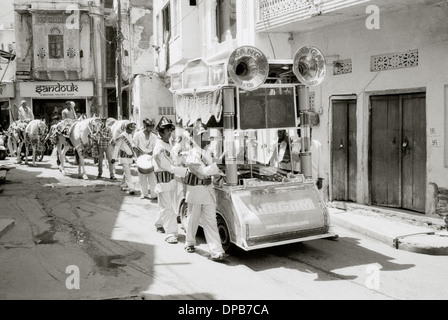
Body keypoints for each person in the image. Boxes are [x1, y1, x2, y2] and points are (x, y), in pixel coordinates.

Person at [183, 128, 229, 261]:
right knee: (193, 219)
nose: (207, 139)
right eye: (203, 136)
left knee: (211, 221)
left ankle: (217, 251)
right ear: (196, 138)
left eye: (207, 137)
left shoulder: (207, 152)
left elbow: (213, 170)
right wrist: (215, 167)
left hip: (208, 189)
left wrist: (219, 164)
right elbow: (202, 171)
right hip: (196, 190)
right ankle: (189, 242)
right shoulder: (192, 154)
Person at [152, 116, 187, 244]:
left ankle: (159, 223)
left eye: (170, 131)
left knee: (165, 205)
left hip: (170, 181)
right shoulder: (159, 148)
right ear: (160, 132)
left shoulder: (166, 143)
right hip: (163, 182)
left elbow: (172, 155)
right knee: (168, 208)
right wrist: (185, 172)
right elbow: (169, 166)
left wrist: (178, 144)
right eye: (167, 131)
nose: (169, 133)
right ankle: (171, 233)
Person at [133, 118, 157, 200]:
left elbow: (155, 148)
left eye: (151, 127)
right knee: (142, 177)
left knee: (152, 177)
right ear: (145, 126)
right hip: (141, 157)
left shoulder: (154, 136)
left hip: (150, 157)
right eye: (148, 126)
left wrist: (153, 157)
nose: (150, 128)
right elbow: (134, 147)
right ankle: (144, 193)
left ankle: (154, 194)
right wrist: (136, 158)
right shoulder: (137, 135)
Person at [112, 121, 137, 195]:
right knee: (128, 173)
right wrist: (114, 157)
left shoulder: (130, 135)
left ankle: (123, 184)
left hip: (129, 157)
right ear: (126, 128)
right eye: (130, 129)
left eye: (132, 129)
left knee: (126, 172)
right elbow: (117, 147)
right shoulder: (122, 136)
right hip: (123, 158)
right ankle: (131, 188)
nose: (132, 131)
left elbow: (131, 148)